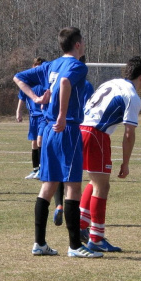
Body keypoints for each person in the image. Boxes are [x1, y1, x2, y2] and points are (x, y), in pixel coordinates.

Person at [14, 27, 100, 258]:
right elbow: (64, 84)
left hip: (49, 130)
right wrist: (62, 115)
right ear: (78, 44)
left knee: (48, 186)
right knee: (73, 186)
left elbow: (19, 77)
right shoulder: (78, 66)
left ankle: (39, 243)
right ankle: (75, 246)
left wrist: (35, 98)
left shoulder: (51, 64)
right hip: (67, 129)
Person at [78, 57, 141, 252]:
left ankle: (80, 225)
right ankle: (96, 238)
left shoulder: (110, 82)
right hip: (96, 135)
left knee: (94, 182)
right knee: (102, 187)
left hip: (81, 130)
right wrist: (125, 164)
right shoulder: (132, 96)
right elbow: (129, 135)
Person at [51, 58, 95, 227]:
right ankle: (74, 221)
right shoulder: (87, 86)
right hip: (77, 129)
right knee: (73, 178)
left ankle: (59, 205)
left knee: (57, 173)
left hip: (56, 127)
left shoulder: (59, 81)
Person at [16, 57, 47, 180]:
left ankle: (42, 169)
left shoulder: (46, 82)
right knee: (34, 142)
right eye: (35, 67)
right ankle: (35, 169)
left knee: (40, 140)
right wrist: (18, 111)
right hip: (33, 117)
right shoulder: (28, 82)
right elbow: (22, 97)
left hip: (43, 116)